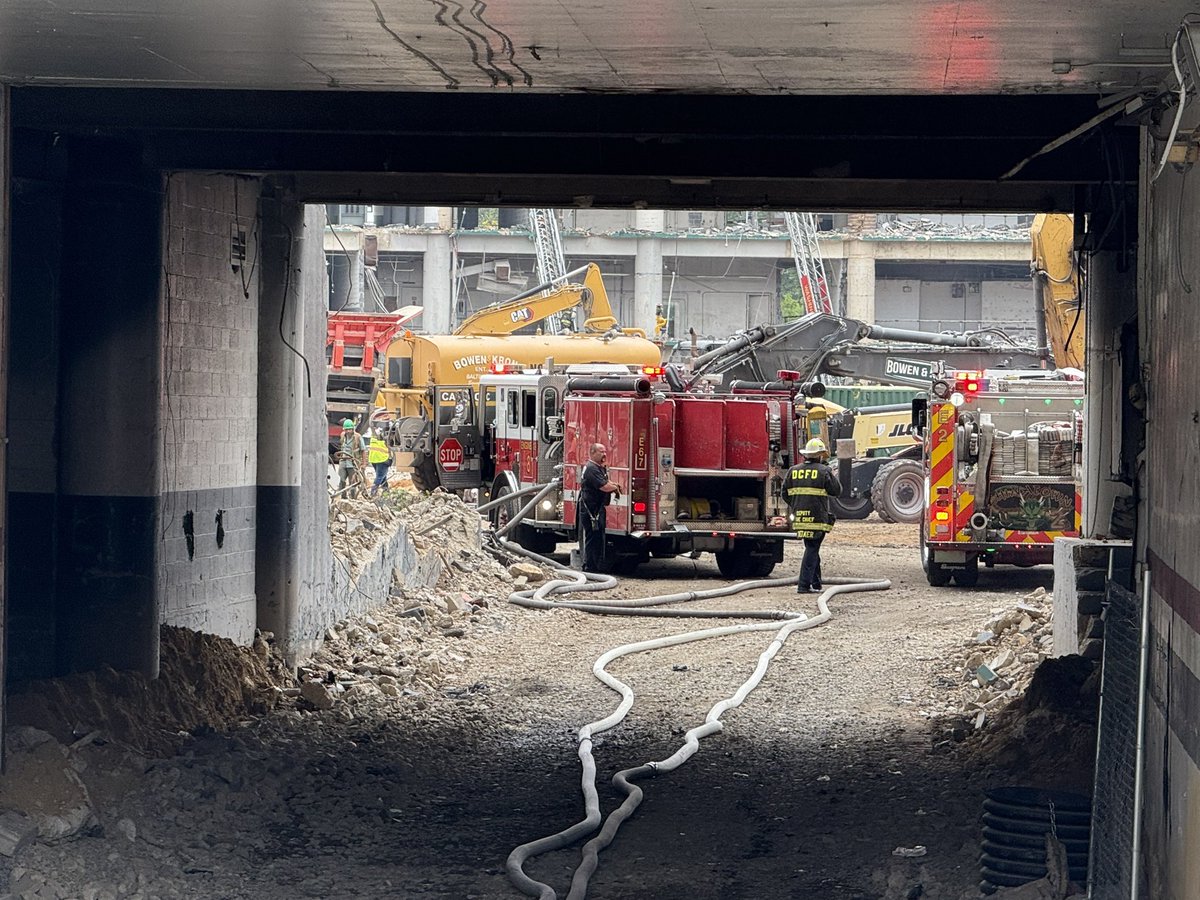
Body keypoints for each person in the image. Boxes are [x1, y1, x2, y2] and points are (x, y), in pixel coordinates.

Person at [784, 437, 842, 593]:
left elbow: (784, 493)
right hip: (817, 519)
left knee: (811, 546)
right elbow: (836, 491)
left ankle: (816, 583)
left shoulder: (793, 471)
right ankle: (803, 585)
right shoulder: (824, 471)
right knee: (812, 548)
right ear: (820, 455)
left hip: (800, 518)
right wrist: (830, 473)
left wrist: (797, 504)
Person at [578, 442, 621, 573]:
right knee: (593, 538)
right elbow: (604, 486)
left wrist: (614, 485)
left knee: (599, 537)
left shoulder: (599, 468)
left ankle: (597, 565)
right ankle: (590, 567)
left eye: (605, 451)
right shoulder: (591, 468)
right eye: (601, 452)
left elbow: (606, 482)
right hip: (590, 510)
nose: (604, 454)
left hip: (597, 509)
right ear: (592, 453)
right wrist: (616, 488)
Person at [335, 419, 367, 498]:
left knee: (352, 481)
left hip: (353, 463)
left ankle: (352, 498)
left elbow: (363, 451)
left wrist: (364, 464)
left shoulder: (358, 437)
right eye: (346, 429)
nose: (348, 431)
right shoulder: (342, 436)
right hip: (343, 461)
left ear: (353, 429)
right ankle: (343, 497)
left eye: (350, 429)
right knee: (341, 480)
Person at [367, 429, 392, 497]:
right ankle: (373, 492)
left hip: (374, 459)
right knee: (380, 477)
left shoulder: (374, 435)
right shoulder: (386, 436)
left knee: (383, 476)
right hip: (383, 459)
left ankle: (386, 491)